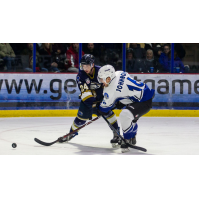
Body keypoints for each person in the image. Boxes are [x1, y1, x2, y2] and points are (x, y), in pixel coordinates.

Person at [58, 54, 121, 148]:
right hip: (88, 101)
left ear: (92, 64)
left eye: (87, 65)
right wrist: (94, 105)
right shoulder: (80, 76)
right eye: (83, 66)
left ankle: (117, 134)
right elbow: (85, 93)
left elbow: (111, 84)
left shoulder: (101, 71)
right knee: (80, 120)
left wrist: (114, 98)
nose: (85, 68)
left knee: (109, 114)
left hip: (103, 98)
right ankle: (71, 133)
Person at [97, 65, 155, 153]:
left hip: (144, 102)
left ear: (108, 78)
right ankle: (132, 137)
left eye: (102, 79)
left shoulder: (111, 90)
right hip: (143, 93)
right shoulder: (119, 73)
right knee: (131, 118)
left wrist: (99, 109)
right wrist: (120, 100)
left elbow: (104, 108)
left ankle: (127, 140)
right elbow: (124, 89)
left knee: (125, 115)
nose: (101, 82)